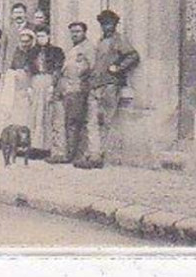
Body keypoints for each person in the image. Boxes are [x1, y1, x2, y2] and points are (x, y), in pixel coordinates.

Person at [88, 10, 139, 168]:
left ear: (115, 24)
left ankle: (107, 157)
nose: (106, 27)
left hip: (110, 84)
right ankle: (94, 155)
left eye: (109, 24)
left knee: (107, 121)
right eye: (103, 24)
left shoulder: (119, 40)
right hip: (97, 84)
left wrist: (118, 67)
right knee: (93, 121)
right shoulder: (100, 41)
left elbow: (133, 56)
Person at [50, 20, 96, 165]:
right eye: (72, 32)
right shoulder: (72, 49)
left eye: (78, 31)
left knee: (75, 123)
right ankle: (64, 154)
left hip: (78, 89)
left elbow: (92, 69)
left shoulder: (88, 48)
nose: (75, 34)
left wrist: (86, 87)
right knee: (63, 122)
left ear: (84, 33)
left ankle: (78, 154)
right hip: (66, 89)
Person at [25, 26, 64, 155]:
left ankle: (47, 147)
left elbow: (58, 69)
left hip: (48, 81)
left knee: (47, 113)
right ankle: (34, 146)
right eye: (38, 37)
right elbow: (29, 70)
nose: (41, 39)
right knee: (35, 114)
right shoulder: (32, 52)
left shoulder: (56, 51)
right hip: (36, 82)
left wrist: (53, 84)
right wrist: (29, 86)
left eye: (43, 36)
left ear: (49, 37)